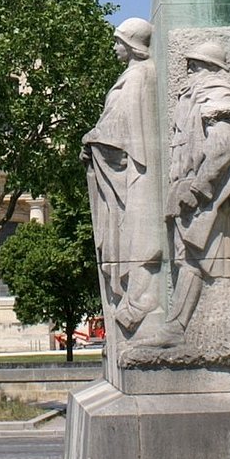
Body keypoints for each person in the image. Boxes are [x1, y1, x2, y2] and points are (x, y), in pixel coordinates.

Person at [144, 42, 230, 345]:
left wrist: (198, 188)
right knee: (192, 259)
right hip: (187, 188)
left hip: (203, 195)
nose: (188, 73)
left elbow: (223, 149)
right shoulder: (194, 97)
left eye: (193, 66)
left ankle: (184, 329)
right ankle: (189, 328)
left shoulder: (216, 94)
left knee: (200, 260)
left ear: (206, 68)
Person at [81, 18, 162, 334]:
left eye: (119, 42)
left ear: (131, 46)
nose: (114, 48)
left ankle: (140, 302)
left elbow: (120, 127)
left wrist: (92, 140)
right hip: (129, 169)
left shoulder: (138, 77)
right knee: (131, 239)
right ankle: (136, 300)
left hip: (134, 172)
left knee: (135, 239)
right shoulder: (135, 76)